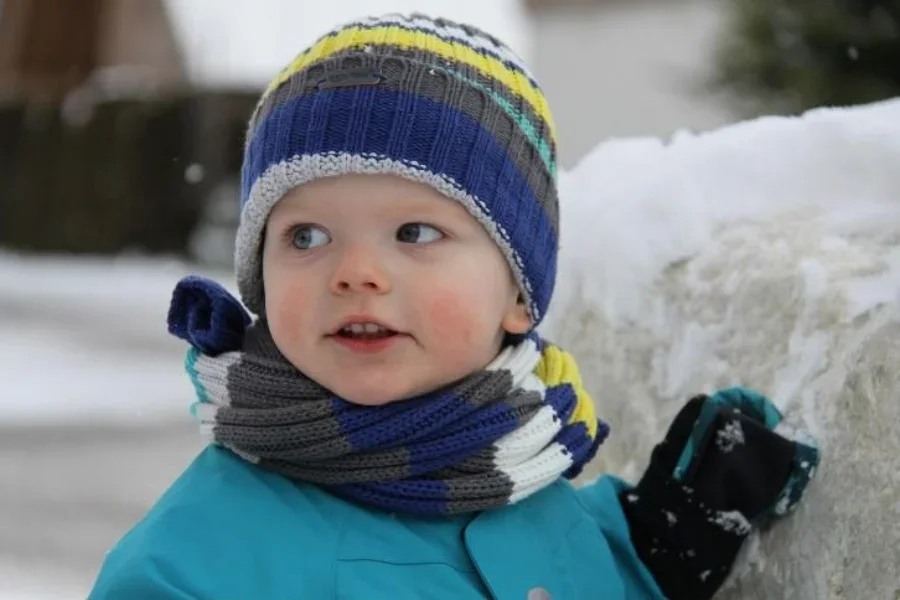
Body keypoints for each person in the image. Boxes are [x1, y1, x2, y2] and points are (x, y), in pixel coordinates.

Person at [88, 13, 818, 600]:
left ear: (519, 296)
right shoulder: (198, 562)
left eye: (416, 232)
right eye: (305, 236)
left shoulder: (529, 488)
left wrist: (652, 545)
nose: (356, 272)